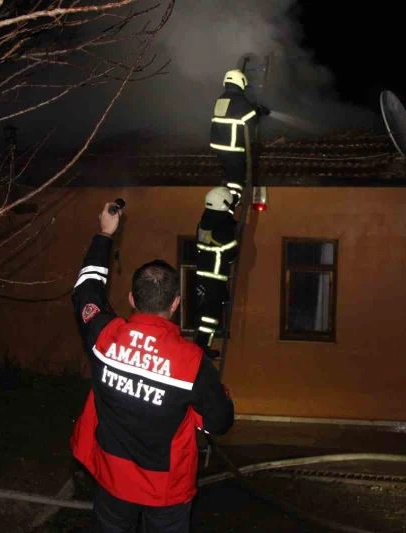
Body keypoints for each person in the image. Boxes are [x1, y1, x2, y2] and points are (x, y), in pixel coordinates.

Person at [70, 201, 234, 533]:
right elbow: (219, 421)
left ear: (131, 299)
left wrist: (104, 234)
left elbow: (86, 291)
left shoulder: (104, 335)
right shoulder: (192, 363)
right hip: (166, 491)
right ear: (175, 304)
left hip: (111, 477)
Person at [209, 68, 270, 209]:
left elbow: (236, 112)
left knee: (229, 174)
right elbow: (250, 121)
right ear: (241, 82)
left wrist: (253, 108)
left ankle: (226, 193)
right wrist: (259, 111)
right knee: (237, 179)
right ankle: (231, 204)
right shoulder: (241, 102)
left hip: (219, 145)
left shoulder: (222, 99)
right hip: (233, 147)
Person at [193, 187, 238, 359]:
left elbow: (223, 216)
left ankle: (202, 345)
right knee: (211, 317)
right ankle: (202, 347)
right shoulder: (223, 229)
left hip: (203, 275)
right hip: (215, 277)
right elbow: (231, 253)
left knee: (205, 312)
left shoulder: (204, 221)